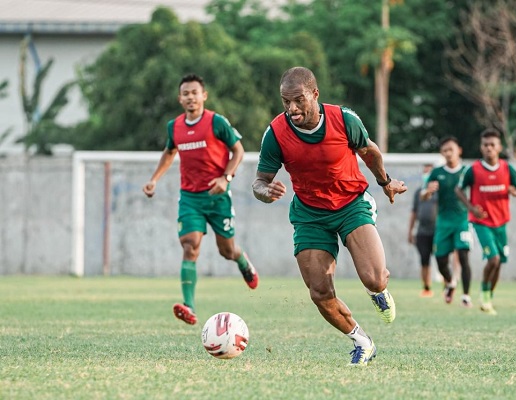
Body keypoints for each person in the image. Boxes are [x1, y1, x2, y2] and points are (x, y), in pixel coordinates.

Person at [252, 66, 408, 366]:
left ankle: (378, 292)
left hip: (351, 204)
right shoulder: (275, 133)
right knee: (320, 291)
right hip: (310, 214)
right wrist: (265, 191)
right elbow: (259, 181)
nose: (292, 108)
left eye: (298, 100)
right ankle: (362, 341)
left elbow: (370, 152)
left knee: (374, 279)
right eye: (285, 101)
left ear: (315, 94)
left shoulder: (344, 119)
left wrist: (385, 182)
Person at [143, 74, 259, 326]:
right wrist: (154, 179)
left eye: (194, 93)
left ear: (203, 96)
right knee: (190, 245)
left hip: (218, 197)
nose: (190, 97)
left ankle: (242, 261)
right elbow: (169, 151)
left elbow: (238, 150)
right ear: (180, 98)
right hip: (190, 198)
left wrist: (225, 178)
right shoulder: (174, 127)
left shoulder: (216, 122)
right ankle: (189, 306)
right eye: (185, 93)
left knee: (226, 251)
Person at [455, 128, 516, 315]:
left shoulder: (507, 168)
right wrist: (471, 208)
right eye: (486, 145)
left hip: (501, 223)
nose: (489, 148)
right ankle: (484, 295)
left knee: (499, 261)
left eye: (492, 145)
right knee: (492, 259)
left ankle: (489, 298)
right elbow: (458, 189)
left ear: (499, 147)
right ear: (481, 147)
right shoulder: (474, 170)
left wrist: (514, 192)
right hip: (482, 222)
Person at [421, 136, 473, 307]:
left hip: (462, 221)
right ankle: (450, 282)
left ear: (459, 150)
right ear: (441, 153)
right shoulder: (437, 173)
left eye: (451, 149)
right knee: (441, 259)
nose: (448, 153)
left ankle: (466, 296)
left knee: (464, 256)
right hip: (443, 221)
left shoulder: (467, 171)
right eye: (445, 151)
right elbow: (423, 196)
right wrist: (428, 191)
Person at [408, 163, 437, 298]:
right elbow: (414, 212)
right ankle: (426, 287)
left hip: (438, 232)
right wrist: (410, 231)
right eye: (424, 173)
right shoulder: (418, 193)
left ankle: (447, 287)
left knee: (442, 259)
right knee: (424, 260)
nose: (426, 176)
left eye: (429, 173)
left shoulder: (439, 193)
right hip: (422, 232)